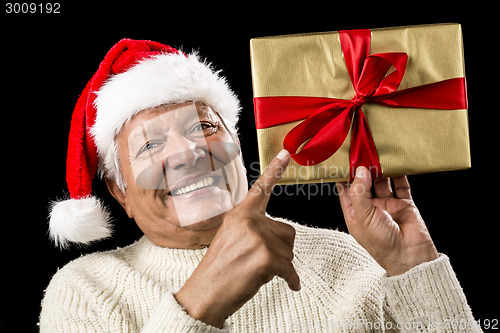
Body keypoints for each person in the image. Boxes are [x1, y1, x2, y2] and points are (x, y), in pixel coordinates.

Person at [40, 38, 481, 332]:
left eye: (203, 127)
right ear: (120, 194)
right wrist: (201, 299)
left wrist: (412, 266)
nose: (187, 153)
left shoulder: (349, 260)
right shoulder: (85, 291)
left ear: (236, 144)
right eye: (151, 144)